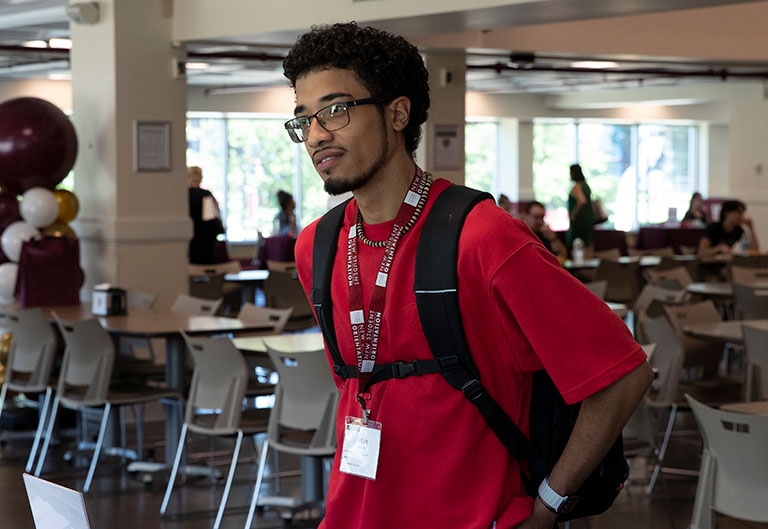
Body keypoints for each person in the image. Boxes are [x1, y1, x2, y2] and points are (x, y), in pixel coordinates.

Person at [283, 22, 652, 529]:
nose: (318, 134)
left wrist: (548, 506)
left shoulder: (483, 237)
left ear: (397, 112)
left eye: (336, 109)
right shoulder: (317, 247)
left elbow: (623, 374)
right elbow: (358, 388)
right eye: (304, 120)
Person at [187, 165, 225, 264]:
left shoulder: (182, 196)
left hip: (187, 245)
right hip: (205, 246)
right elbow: (212, 222)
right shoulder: (206, 196)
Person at [566, 163, 596, 253]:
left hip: (580, 221)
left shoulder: (577, 186)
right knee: (588, 244)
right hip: (588, 220)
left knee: (578, 245)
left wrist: (573, 214)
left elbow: (582, 201)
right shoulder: (585, 185)